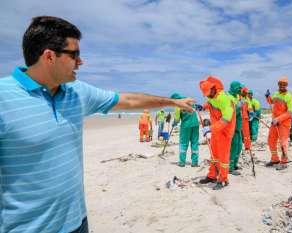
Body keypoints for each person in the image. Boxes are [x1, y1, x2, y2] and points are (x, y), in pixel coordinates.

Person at [0, 16, 195, 233]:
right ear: (49, 56)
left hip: (78, 223)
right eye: (74, 54)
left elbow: (128, 101)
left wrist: (171, 102)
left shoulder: (77, 92)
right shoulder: (3, 97)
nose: (80, 62)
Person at [198, 76, 236, 190]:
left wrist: (210, 128)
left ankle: (223, 179)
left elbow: (226, 119)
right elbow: (210, 103)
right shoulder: (212, 96)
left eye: (208, 93)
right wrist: (202, 107)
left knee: (223, 157)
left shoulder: (224, 99)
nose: (208, 96)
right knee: (214, 154)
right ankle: (212, 175)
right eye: (206, 94)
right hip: (216, 131)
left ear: (214, 88)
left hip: (225, 131)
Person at [265, 76, 292, 170]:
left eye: (284, 85)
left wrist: (278, 119)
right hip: (274, 122)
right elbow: (271, 102)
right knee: (271, 140)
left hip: (283, 123)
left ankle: (284, 161)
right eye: (280, 84)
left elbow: (291, 112)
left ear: (286, 85)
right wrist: (267, 97)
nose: (282, 86)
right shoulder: (276, 94)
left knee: (283, 142)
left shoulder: (289, 96)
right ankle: (275, 159)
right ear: (278, 85)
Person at [171, 93, 200, 167]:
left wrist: (174, 123)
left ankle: (182, 162)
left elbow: (177, 119)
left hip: (186, 126)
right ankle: (195, 162)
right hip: (195, 124)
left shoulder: (178, 105)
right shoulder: (189, 101)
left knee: (183, 143)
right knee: (194, 143)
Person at [228, 81, 243, 176]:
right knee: (233, 148)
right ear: (234, 88)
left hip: (238, 127)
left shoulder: (236, 96)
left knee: (238, 147)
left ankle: (234, 164)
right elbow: (230, 113)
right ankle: (230, 167)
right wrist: (239, 107)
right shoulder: (229, 97)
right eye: (238, 88)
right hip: (231, 128)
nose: (240, 90)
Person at [240, 87, 253, 152]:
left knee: (246, 133)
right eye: (244, 92)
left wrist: (251, 112)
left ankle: (247, 146)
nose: (246, 94)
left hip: (245, 118)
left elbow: (249, 107)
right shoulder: (238, 98)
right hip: (238, 118)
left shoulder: (247, 99)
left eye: (246, 93)